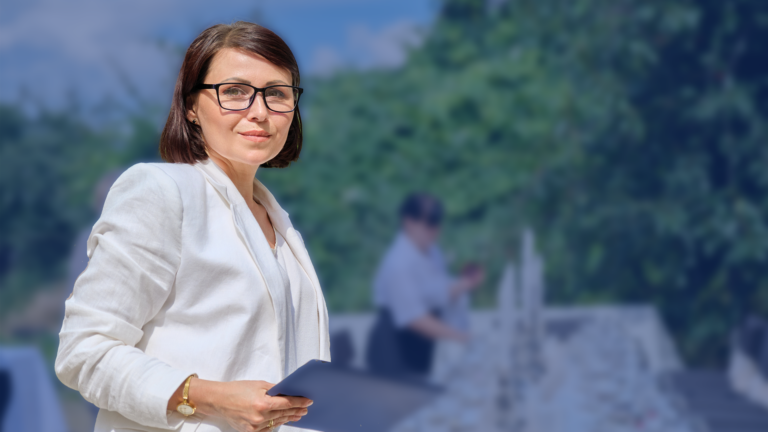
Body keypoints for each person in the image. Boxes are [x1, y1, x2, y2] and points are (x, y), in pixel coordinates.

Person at [55, 22, 330, 432]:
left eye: (277, 94)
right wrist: (210, 398)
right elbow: (84, 351)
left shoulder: (282, 227)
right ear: (191, 107)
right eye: (235, 91)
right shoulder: (163, 192)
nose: (259, 111)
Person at [366, 193, 484, 379]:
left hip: (419, 344)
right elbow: (414, 320)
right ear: (409, 222)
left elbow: (437, 292)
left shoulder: (432, 251)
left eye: (438, 220)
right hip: (395, 347)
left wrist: (464, 284)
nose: (435, 229)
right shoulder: (398, 263)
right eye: (429, 221)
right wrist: (465, 337)